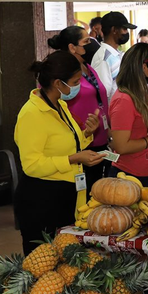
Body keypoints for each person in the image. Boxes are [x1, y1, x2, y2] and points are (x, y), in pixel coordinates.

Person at [15, 51, 104, 254]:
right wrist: (73, 159)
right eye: (74, 81)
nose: (78, 86)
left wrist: (87, 134)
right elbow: (32, 165)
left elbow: (67, 144)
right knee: (44, 264)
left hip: (66, 194)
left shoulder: (60, 105)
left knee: (67, 263)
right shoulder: (32, 113)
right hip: (41, 199)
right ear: (58, 83)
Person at [47, 26, 112, 196]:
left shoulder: (88, 68)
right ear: (72, 47)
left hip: (99, 139)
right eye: (86, 42)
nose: (91, 44)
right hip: (80, 147)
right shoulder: (64, 75)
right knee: (84, 196)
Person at [108, 43, 148, 186]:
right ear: (143, 67)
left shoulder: (139, 94)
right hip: (130, 177)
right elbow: (121, 147)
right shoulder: (123, 100)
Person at [94, 11, 135, 98]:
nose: (126, 32)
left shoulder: (116, 54)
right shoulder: (104, 58)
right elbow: (104, 94)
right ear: (114, 30)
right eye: (124, 29)